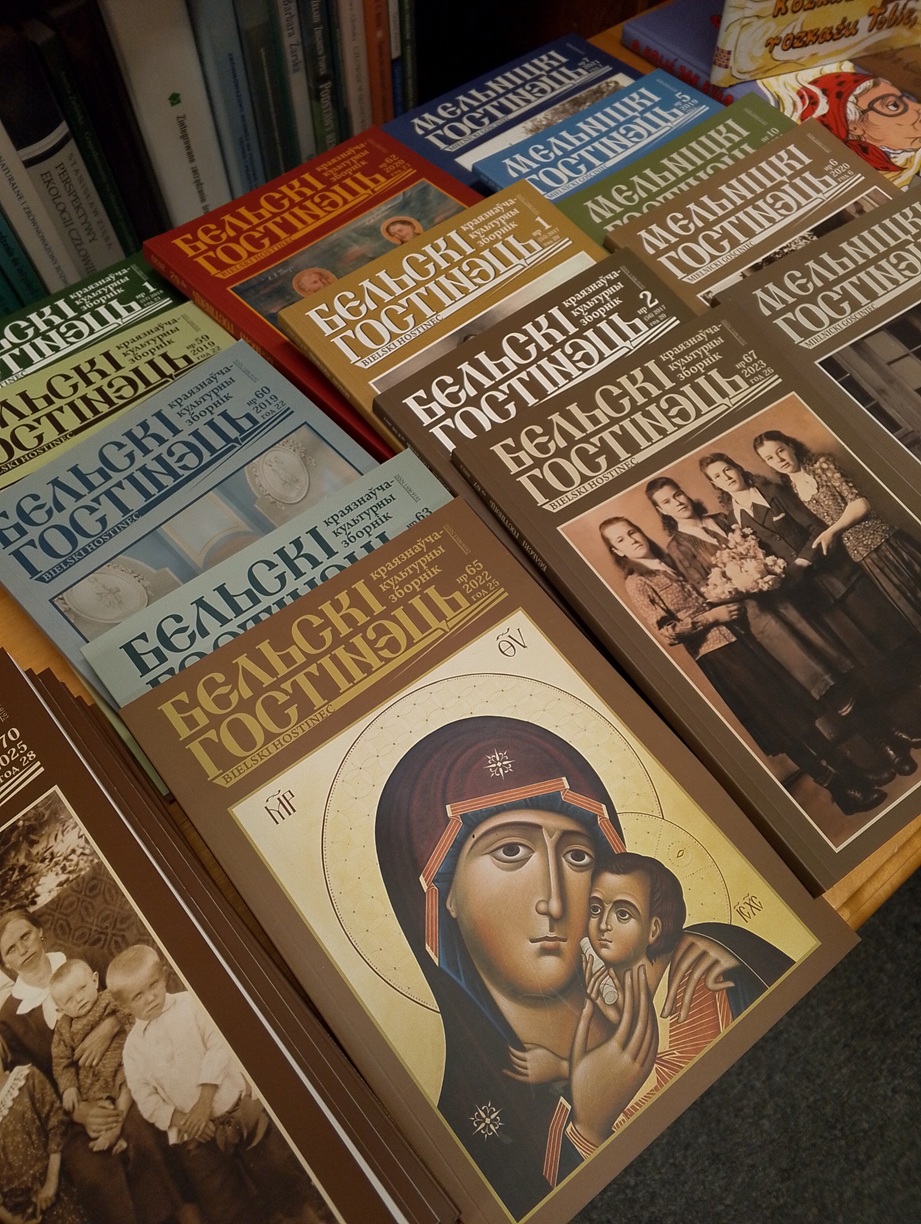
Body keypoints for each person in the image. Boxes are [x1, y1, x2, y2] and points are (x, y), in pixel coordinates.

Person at [375, 716, 792, 1218]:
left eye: (576, 856)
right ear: (444, 896)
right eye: (511, 851)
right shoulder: (474, 1131)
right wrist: (589, 1130)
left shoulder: (715, 970)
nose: (554, 901)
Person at [600, 516, 888, 815]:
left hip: (742, 639)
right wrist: (712, 617)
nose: (631, 539)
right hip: (718, 655)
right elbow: (668, 632)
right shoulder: (637, 582)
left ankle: (854, 775)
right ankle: (841, 791)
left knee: (793, 711)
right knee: (780, 724)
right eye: (621, 540)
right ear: (618, 551)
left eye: (632, 531)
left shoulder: (668, 562)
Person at [700, 450, 921, 773]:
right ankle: (897, 734)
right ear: (715, 485)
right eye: (718, 477)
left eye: (727, 469)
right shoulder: (732, 519)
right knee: (857, 662)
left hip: (836, 576)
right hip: (805, 601)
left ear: (737, 467)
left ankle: (912, 723)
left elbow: (814, 526)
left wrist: (803, 561)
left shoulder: (772, 491)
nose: (726, 478)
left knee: (890, 640)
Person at [108, 944, 331, 1224]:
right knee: (226, 1206)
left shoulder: (191, 1005)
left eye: (153, 985)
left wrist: (204, 1104)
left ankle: (308, 1219)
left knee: (281, 1179)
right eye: (137, 996)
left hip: (236, 1110)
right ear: (124, 1006)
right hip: (194, 1135)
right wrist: (185, 1120)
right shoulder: (133, 1050)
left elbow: (218, 1047)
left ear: (164, 974)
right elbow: (146, 1098)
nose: (150, 998)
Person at [0, 912, 190, 1224]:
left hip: (130, 1073)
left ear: (40, 931)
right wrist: (80, 1113)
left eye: (26, 936)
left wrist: (110, 1027)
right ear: (6, 964)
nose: (23, 949)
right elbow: (36, 1086)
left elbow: (134, 996)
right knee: (92, 1171)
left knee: (142, 1131)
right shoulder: (9, 1019)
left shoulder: (84, 960)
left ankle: (185, 1215)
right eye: (11, 948)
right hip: (74, 1109)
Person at [753, 430, 921, 640]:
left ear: (791, 446)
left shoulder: (822, 465)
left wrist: (831, 532)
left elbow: (860, 504)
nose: (779, 459)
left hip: (883, 542)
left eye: (780, 450)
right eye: (770, 458)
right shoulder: (790, 487)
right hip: (860, 558)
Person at [0, 1034, 88, 1224]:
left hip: (54, 1189)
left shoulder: (28, 1079)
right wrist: (10, 1219)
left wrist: (51, 1183)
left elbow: (56, 1125)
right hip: (15, 1212)